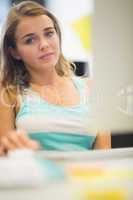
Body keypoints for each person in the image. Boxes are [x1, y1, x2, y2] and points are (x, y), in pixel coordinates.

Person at [0, 1, 111, 155]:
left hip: (85, 177)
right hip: (32, 178)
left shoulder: (92, 88)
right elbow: (4, 157)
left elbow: (105, 158)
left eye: (49, 33)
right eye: (30, 40)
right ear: (14, 52)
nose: (44, 45)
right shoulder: (9, 92)